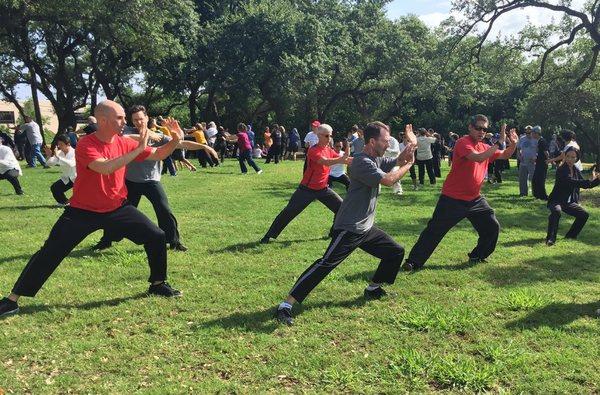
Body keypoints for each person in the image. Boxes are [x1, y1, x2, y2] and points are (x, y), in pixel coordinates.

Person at [0, 100, 184, 318]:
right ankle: (12, 300)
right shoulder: (87, 144)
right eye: (121, 117)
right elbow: (106, 168)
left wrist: (175, 140)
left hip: (117, 207)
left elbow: (159, 154)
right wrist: (139, 149)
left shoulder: (123, 141)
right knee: (50, 252)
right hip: (82, 212)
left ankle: (158, 284)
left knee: (156, 235)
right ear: (104, 121)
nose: (125, 121)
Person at [274, 122, 417, 325]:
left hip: (365, 227)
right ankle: (286, 305)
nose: (388, 144)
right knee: (326, 264)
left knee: (395, 252)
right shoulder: (361, 162)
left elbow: (398, 160)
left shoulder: (375, 159)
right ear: (372, 141)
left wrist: (410, 148)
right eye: (385, 141)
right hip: (349, 227)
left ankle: (373, 288)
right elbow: (388, 180)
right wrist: (408, 165)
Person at [402, 115, 518, 271]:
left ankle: (478, 255)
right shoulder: (463, 142)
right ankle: (413, 261)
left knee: (491, 227)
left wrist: (514, 144)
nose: (481, 132)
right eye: (478, 128)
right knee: (434, 230)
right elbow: (477, 158)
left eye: (484, 129)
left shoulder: (484, 146)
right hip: (452, 199)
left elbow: (505, 155)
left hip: (475, 199)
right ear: (470, 127)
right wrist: (498, 142)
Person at [93, 107, 215, 253]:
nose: (138, 122)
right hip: (131, 182)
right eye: (135, 120)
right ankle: (106, 241)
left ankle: (174, 242)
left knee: (164, 210)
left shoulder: (159, 137)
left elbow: (181, 143)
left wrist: (204, 146)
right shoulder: (126, 133)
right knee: (119, 213)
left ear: (147, 118)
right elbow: (125, 139)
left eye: (141, 118)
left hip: (152, 181)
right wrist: (148, 135)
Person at [260, 124, 350, 244]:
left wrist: (362, 160)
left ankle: (334, 232)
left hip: (323, 189)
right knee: (289, 212)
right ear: (319, 136)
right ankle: (268, 236)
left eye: (331, 136)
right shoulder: (313, 150)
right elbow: (326, 162)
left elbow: (345, 159)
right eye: (327, 136)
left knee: (341, 208)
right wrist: (343, 157)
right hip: (306, 190)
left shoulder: (329, 150)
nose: (329, 138)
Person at [545, 147, 599, 246]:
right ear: (564, 157)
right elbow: (572, 182)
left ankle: (570, 236)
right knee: (556, 211)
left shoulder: (575, 169)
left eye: (573, 157)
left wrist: (597, 179)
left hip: (567, 202)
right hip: (556, 200)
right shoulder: (561, 170)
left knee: (584, 215)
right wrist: (589, 181)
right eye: (568, 156)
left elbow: (587, 185)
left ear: (576, 158)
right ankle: (551, 239)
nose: (570, 159)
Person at [46, 134, 76, 206]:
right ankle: (64, 202)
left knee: (81, 195)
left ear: (68, 144)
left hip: (77, 177)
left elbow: (71, 164)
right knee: (55, 188)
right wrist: (49, 156)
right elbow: (50, 164)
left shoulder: (75, 152)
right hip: (66, 177)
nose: (59, 146)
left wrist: (58, 157)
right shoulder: (59, 153)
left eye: (61, 144)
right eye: (58, 144)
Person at [517, 125, 538, 196]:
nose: (528, 134)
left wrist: (535, 157)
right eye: (527, 133)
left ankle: (535, 193)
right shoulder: (522, 139)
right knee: (522, 179)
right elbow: (518, 149)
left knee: (533, 179)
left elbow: (540, 151)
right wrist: (519, 156)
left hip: (532, 162)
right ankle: (523, 193)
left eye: (529, 133)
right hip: (523, 162)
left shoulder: (536, 139)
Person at [531, 126, 549, 200]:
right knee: (535, 179)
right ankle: (537, 195)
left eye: (533, 133)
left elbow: (546, 153)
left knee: (540, 180)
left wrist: (548, 160)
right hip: (539, 163)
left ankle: (543, 196)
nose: (532, 134)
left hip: (542, 164)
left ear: (536, 133)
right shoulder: (539, 141)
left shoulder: (542, 141)